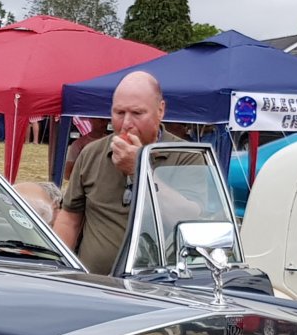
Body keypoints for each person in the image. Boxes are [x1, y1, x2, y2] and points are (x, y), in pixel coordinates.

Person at [53, 71, 198, 275]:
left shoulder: (187, 156)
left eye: (137, 113)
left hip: (158, 286)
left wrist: (138, 170)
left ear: (160, 110)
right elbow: (69, 219)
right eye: (119, 113)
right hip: (93, 283)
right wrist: (58, 268)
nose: (126, 123)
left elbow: (189, 219)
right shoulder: (92, 154)